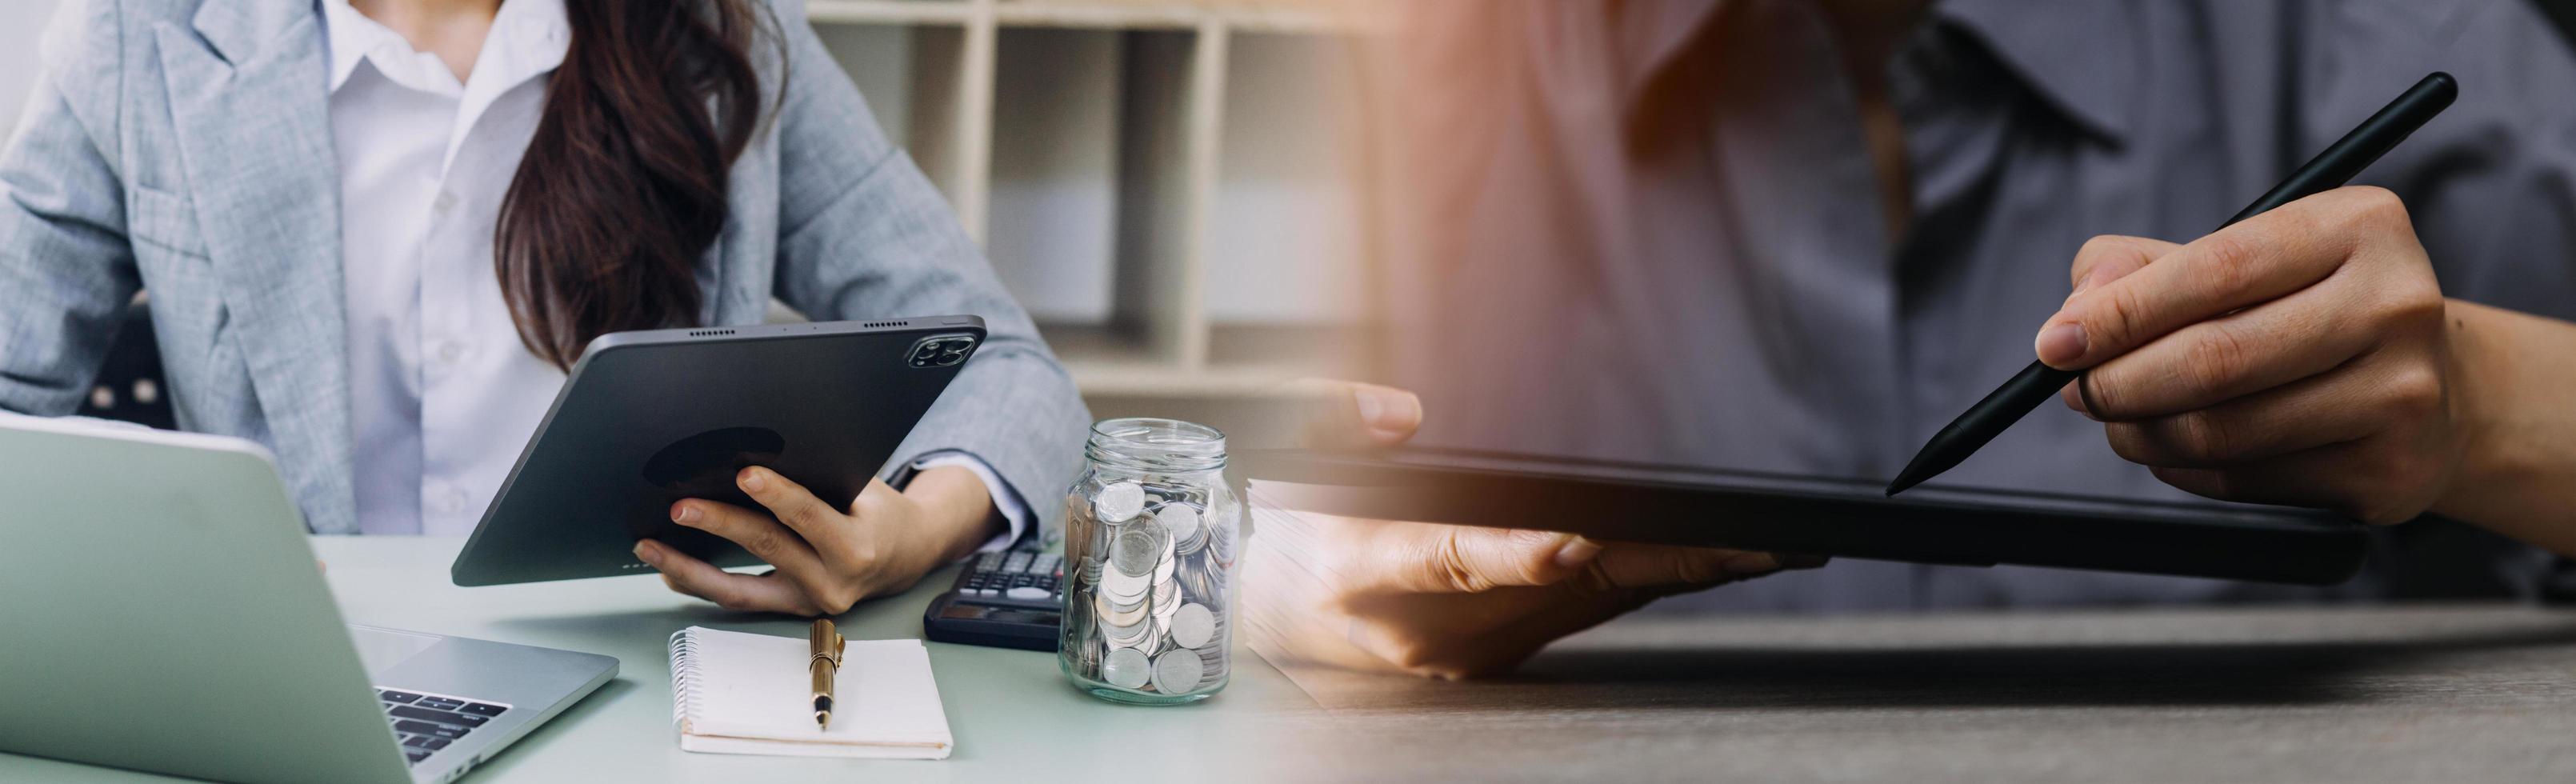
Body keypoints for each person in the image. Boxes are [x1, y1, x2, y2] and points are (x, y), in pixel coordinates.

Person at [1251, 0, 2576, 678]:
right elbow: (1246, 512)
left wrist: (2485, 409)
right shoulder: (1443, 73)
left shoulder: (2356, 32)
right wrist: (1273, 587)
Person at [0, 0, 1090, 615]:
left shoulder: (721, 34)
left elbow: (1002, 368)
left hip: (646, 652)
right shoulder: (136, 40)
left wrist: (906, 531)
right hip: (296, 660)